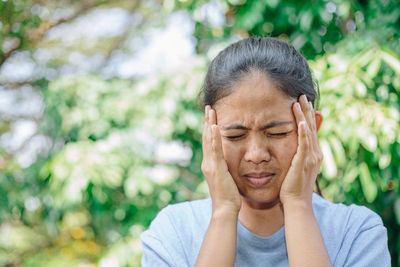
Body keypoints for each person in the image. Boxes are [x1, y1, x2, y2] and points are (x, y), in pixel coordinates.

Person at [140, 37, 391, 266]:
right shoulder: (172, 233)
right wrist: (224, 211)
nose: (256, 154)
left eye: (277, 133)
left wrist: (297, 205)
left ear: (312, 129)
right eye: (235, 136)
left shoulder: (357, 233)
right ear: (209, 135)